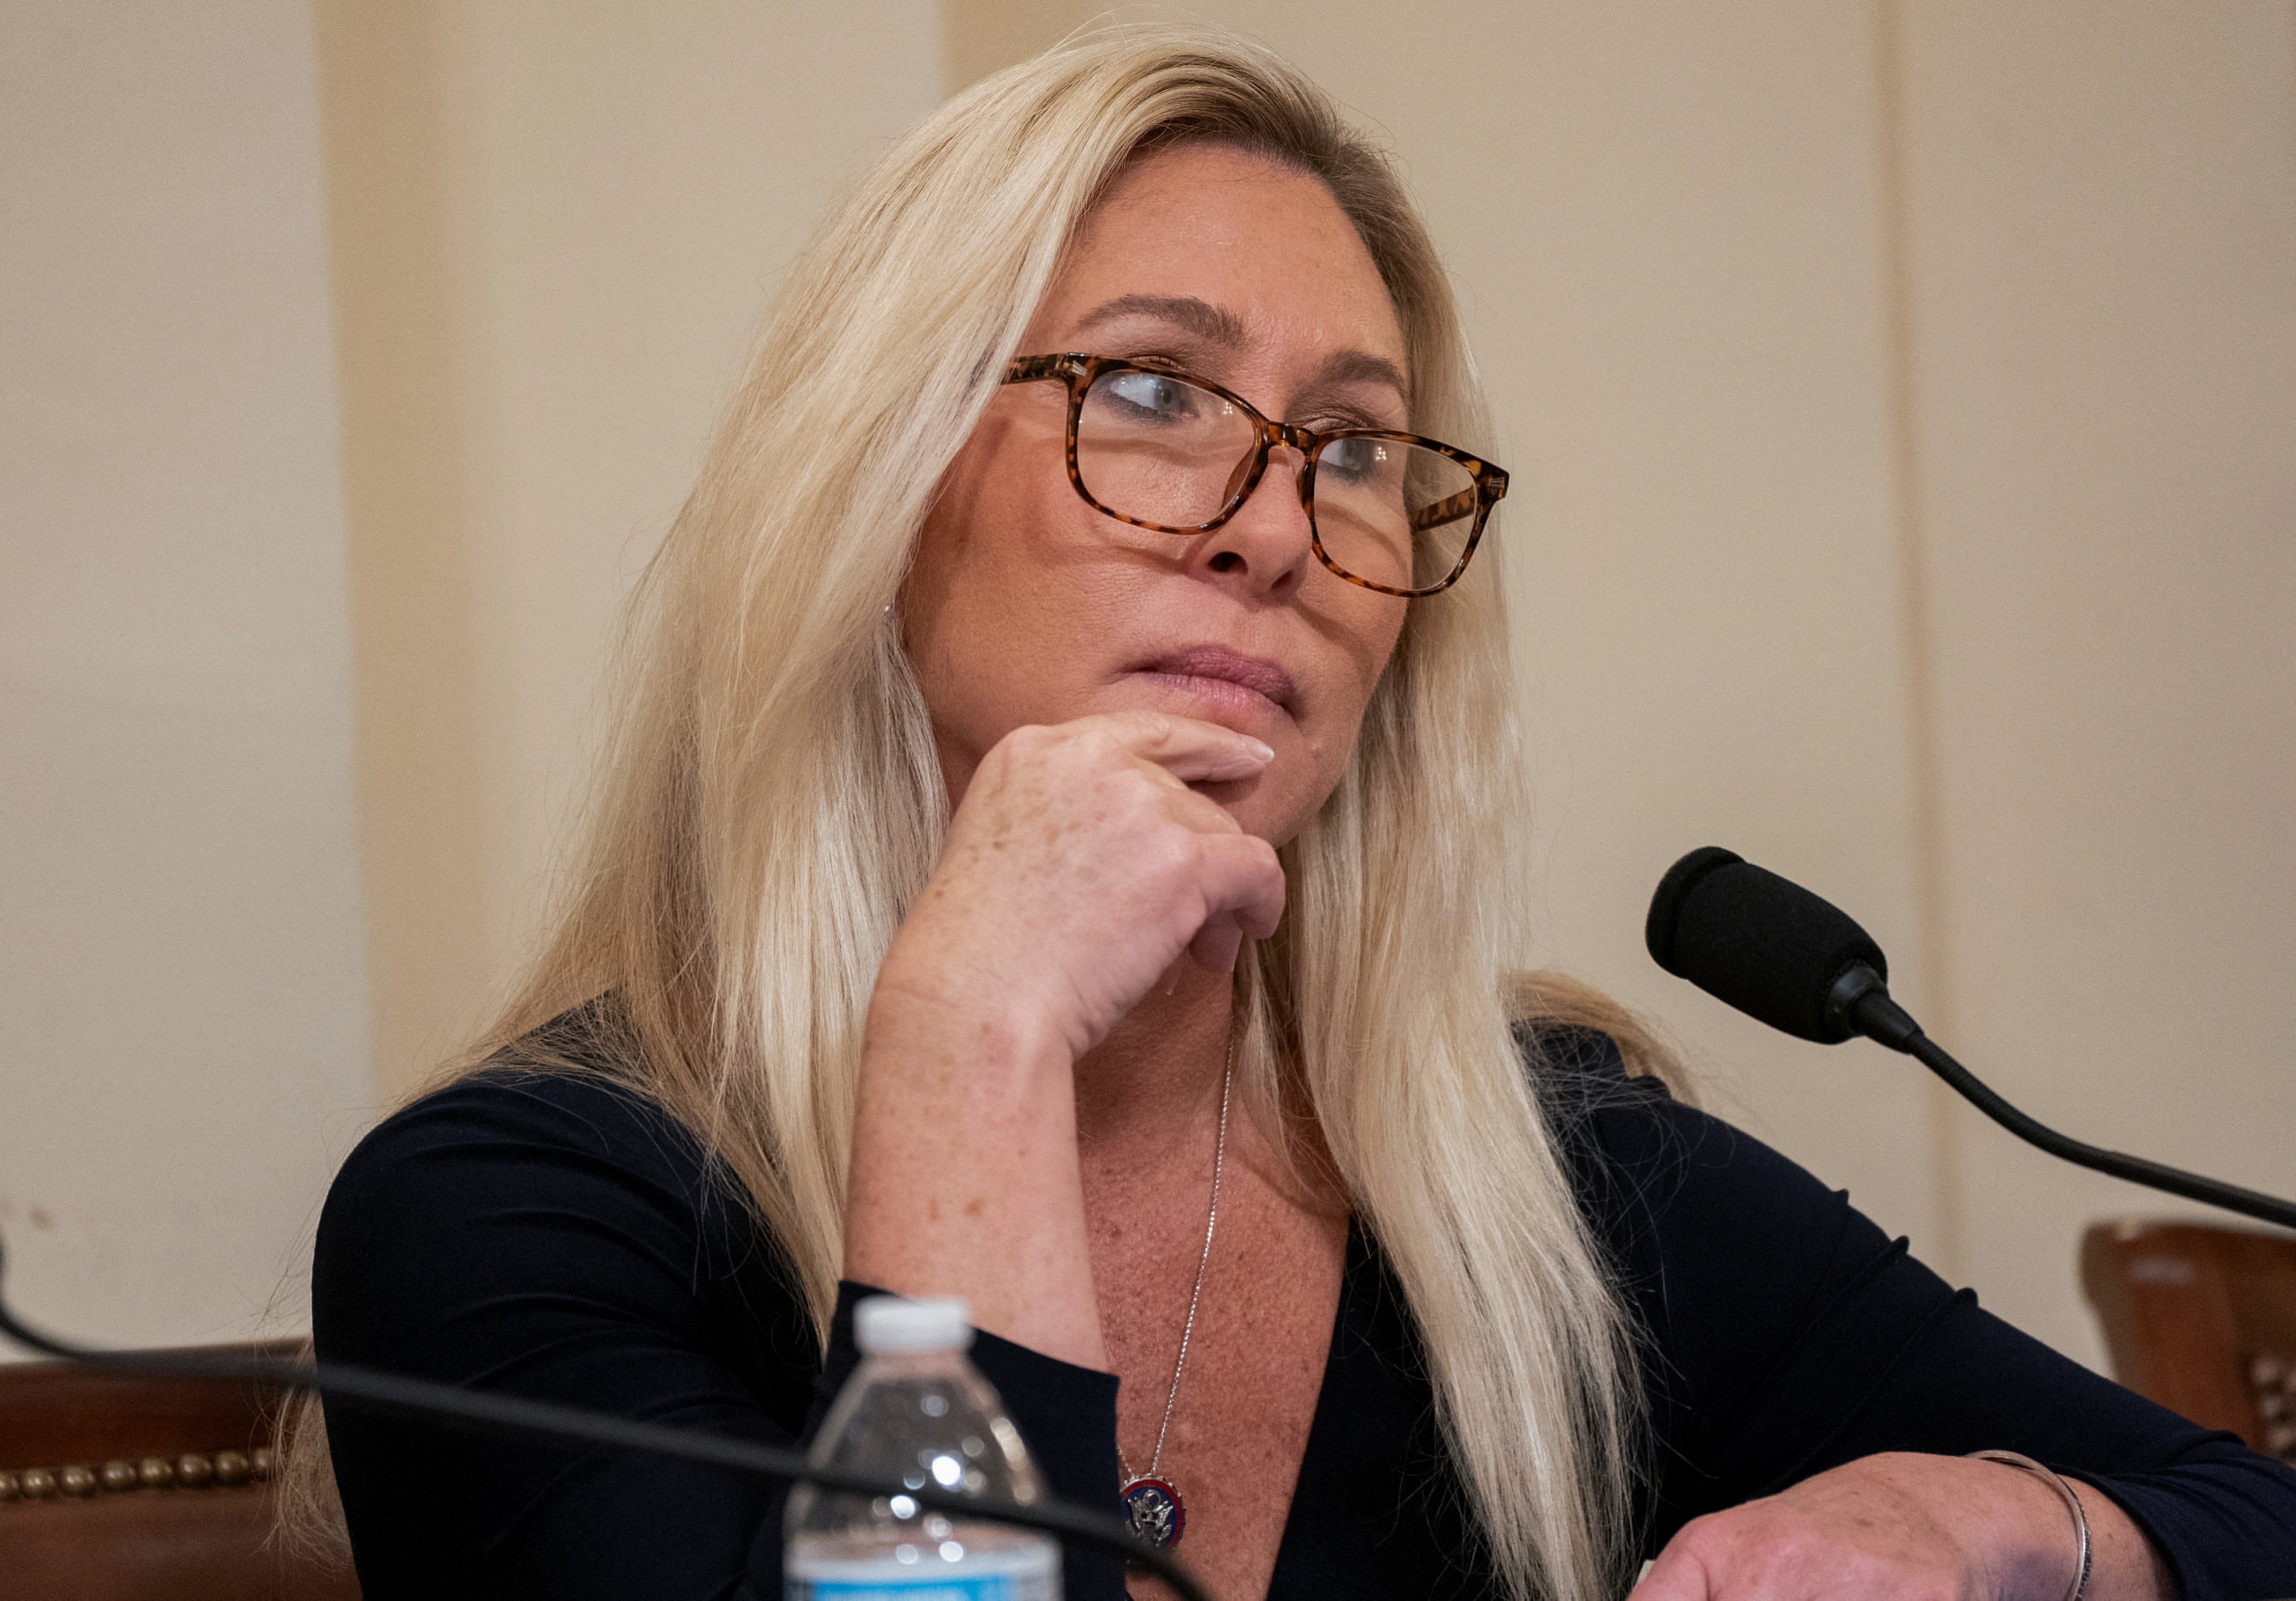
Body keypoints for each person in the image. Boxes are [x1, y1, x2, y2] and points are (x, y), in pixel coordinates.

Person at [295, 24, 2296, 1601]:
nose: (1278, 529)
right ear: (879, 488)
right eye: (1153, 393)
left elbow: (2245, 1519)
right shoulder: (519, 1217)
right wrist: (973, 1040)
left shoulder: (1545, 1176)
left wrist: (2010, 1529)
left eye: (1354, 446)